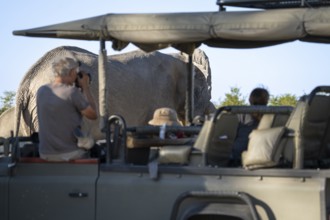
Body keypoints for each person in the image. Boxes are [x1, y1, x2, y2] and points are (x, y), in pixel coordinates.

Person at [36, 56, 98, 161]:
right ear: (72, 72)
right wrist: (85, 87)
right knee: (97, 150)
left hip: (45, 153)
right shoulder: (72, 92)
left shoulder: (41, 91)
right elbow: (93, 115)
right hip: (68, 154)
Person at [229, 87, 270, 166]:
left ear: (250, 99)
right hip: (262, 154)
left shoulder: (241, 113)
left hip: (238, 156)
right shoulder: (272, 116)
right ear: (267, 100)